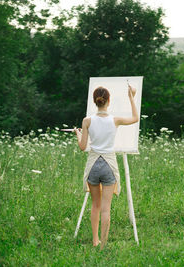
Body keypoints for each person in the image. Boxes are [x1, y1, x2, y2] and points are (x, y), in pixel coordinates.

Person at [74, 85, 138, 249]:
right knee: (105, 208)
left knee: (95, 205)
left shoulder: (87, 121)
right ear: (108, 101)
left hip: (94, 165)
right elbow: (135, 118)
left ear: (95, 102)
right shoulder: (115, 120)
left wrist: (78, 133)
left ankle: (95, 241)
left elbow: (82, 147)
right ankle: (103, 245)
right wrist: (131, 96)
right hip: (109, 165)